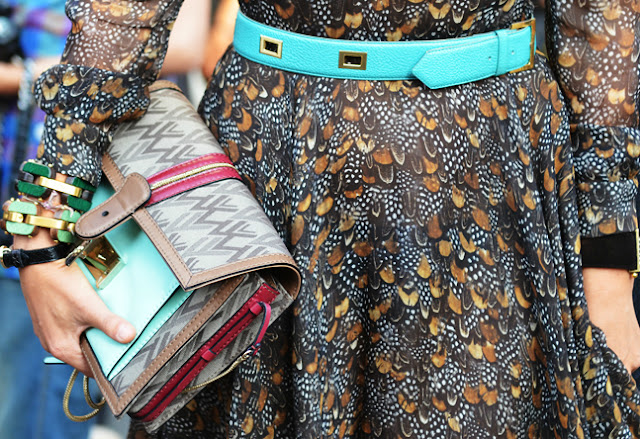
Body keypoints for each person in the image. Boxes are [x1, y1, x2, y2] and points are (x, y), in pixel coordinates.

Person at [5, 0, 640, 437]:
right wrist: (39, 233)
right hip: (270, 173)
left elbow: (601, 26)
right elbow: (122, 17)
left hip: (487, 187)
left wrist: (610, 268)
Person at [0, 1, 98, 438]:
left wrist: (31, 75)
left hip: (59, 210)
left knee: (35, 401)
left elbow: (185, 45)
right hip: (23, 190)